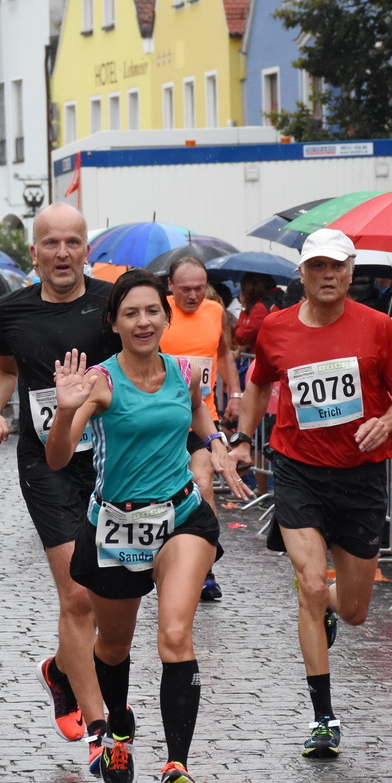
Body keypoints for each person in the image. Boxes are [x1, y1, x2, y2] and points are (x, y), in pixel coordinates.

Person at [47, 270, 250, 783]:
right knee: (113, 646)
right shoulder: (100, 382)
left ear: (166, 316)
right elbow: (58, 458)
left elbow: (198, 407)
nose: (143, 322)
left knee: (175, 633)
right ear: (113, 323)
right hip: (116, 526)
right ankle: (118, 729)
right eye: (130, 313)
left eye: (152, 311)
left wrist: (215, 441)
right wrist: (65, 410)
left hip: (181, 515)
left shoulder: (182, 370)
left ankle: (176, 765)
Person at [230, 229, 392, 760]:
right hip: (298, 471)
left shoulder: (378, 328)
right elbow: (259, 382)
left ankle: (332, 606)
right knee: (310, 586)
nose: (328, 275)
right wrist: (243, 439)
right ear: (302, 273)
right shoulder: (276, 327)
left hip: (360, 476)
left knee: (354, 610)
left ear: (351, 270)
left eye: (336, 266)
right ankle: (323, 718)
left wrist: (385, 422)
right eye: (317, 266)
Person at [0, 204, 119, 752]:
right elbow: (1, 367)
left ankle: (62, 669)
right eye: (50, 243)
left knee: (109, 600)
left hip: (112, 461)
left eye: (72, 242)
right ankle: (99, 729)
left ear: (87, 249)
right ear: (34, 252)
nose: (62, 254)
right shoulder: (10, 309)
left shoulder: (112, 304)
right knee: (78, 596)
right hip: (46, 463)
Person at [159, 254, 241, 602]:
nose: (193, 295)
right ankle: (162, 561)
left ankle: (205, 571)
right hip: (161, 421)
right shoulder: (156, 311)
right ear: (170, 286)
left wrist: (235, 393)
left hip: (202, 416)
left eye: (199, 288)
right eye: (185, 289)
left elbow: (222, 353)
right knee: (162, 494)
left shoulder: (214, 311)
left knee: (203, 485)